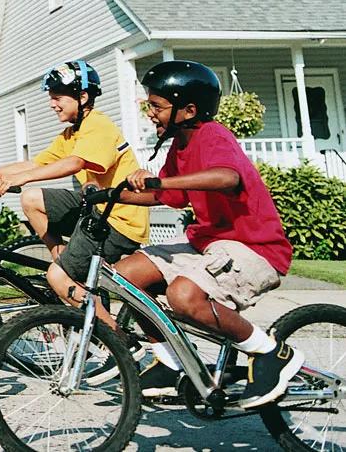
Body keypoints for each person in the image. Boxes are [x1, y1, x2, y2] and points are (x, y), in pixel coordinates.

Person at [102, 60, 299, 409]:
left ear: (189, 109)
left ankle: (271, 353)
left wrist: (160, 180)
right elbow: (168, 196)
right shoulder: (180, 145)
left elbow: (227, 178)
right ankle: (170, 361)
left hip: (255, 249)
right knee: (125, 276)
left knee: (182, 295)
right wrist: (109, 194)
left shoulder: (213, 135)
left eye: (157, 106)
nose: (151, 113)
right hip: (208, 243)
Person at [0, 60, 148, 309]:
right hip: (96, 210)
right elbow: (34, 165)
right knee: (31, 198)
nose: (52, 104)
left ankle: (116, 339)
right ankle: (62, 257)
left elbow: (75, 163)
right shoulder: (71, 134)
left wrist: (23, 178)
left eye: (58, 97)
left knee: (57, 278)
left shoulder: (98, 126)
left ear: (82, 97)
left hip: (119, 222)